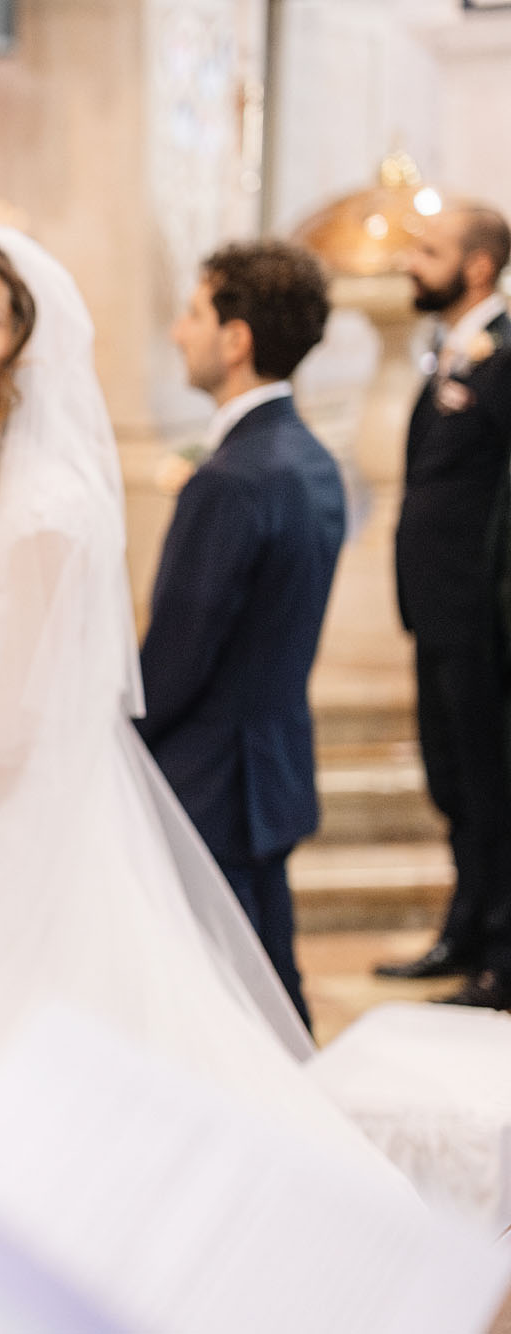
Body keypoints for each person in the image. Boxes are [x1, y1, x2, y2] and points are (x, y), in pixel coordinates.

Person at [0, 227, 411, 1204]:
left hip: (6, 823)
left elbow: (11, 731)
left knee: (20, 1096)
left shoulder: (45, 499)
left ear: (19, 345)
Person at [140, 240, 345, 1029]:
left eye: (193, 313)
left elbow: (179, 657)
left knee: (224, 1012)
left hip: (213, 783)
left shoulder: (231, 481)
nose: (176, 332)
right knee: (271, 991)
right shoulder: (310, 458)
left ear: (236, 339)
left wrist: (111, 741)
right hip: (271, 768)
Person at [373, 204, 511, 1011]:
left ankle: (501, 952)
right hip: (436, 609)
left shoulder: (504, 357)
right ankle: (464, 929)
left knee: (493, 786)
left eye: (427, 251)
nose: (408, 263)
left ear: (479, 267)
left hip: (482, 613)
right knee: (453, 779)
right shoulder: (450, 351)